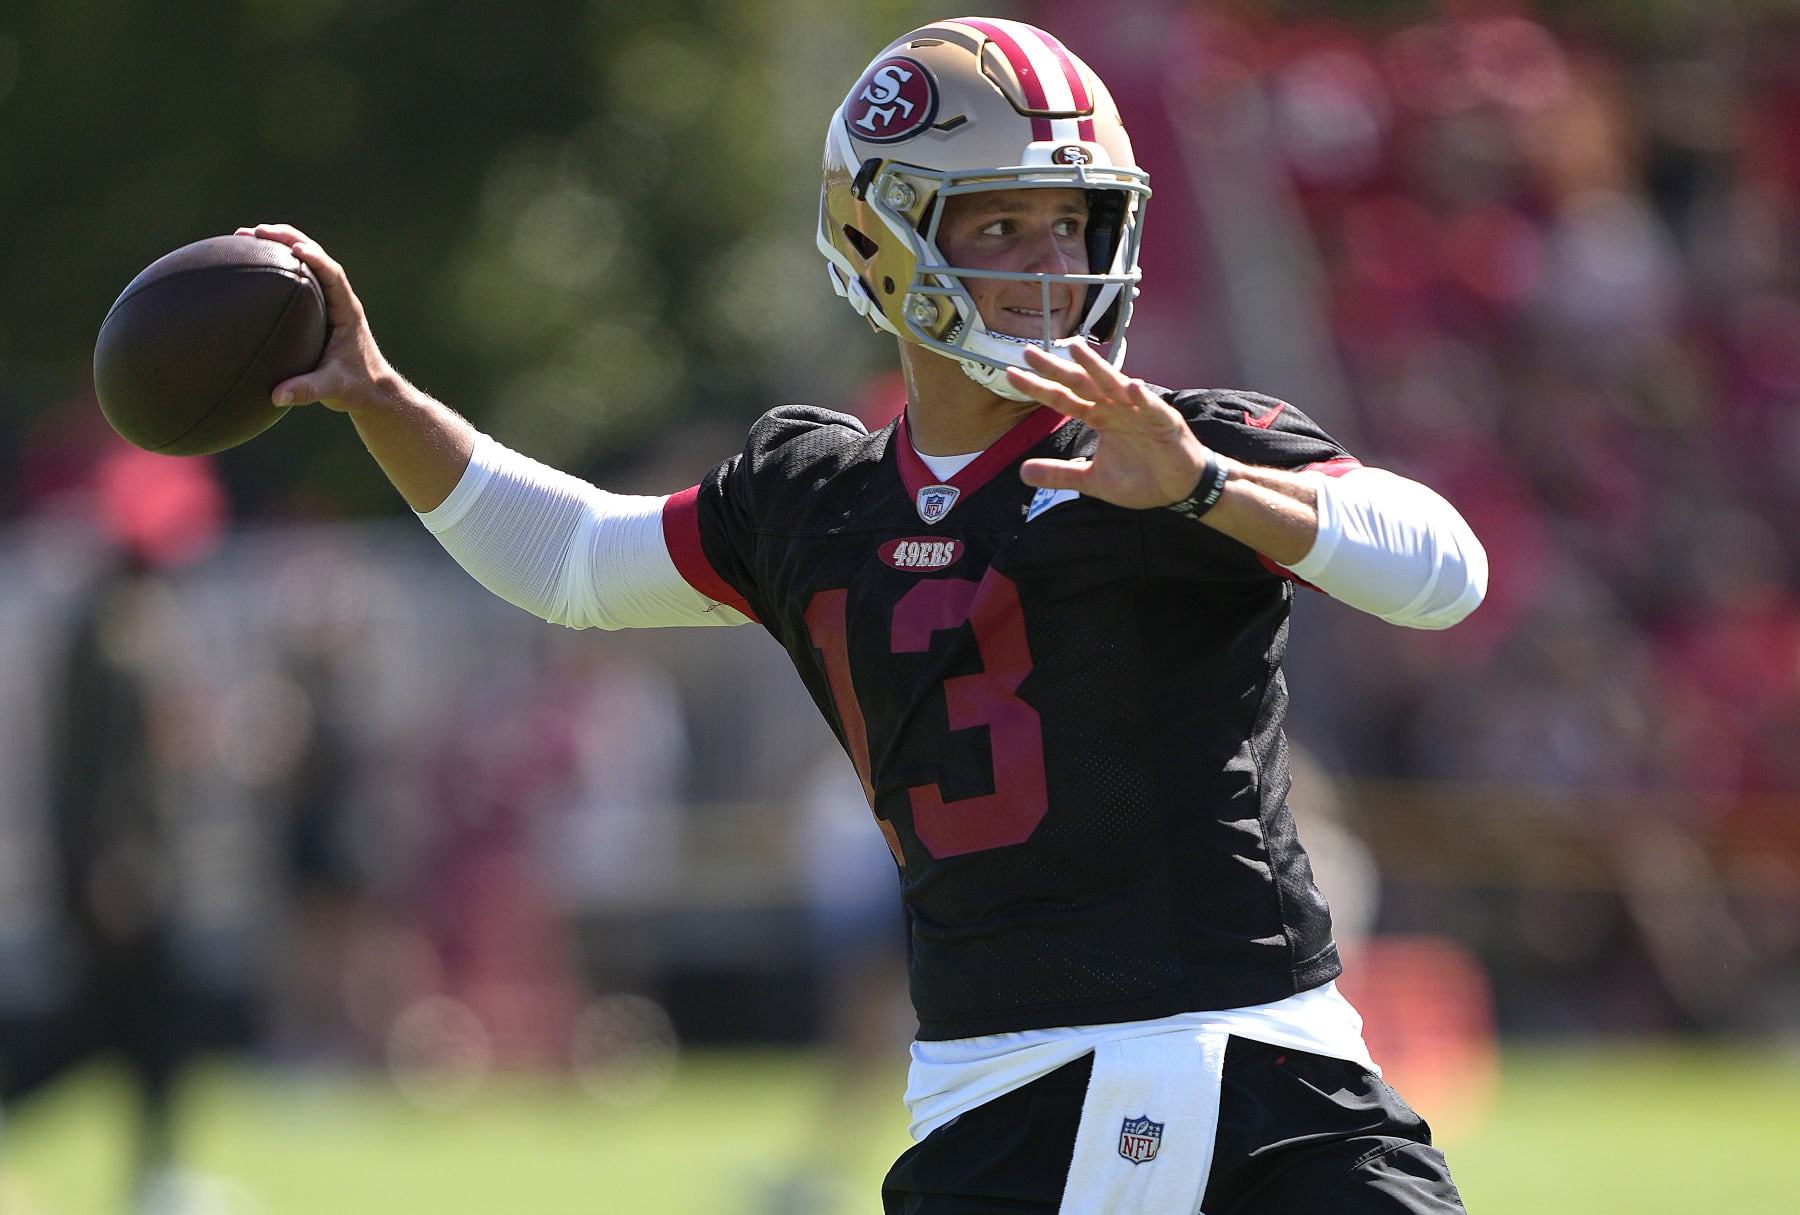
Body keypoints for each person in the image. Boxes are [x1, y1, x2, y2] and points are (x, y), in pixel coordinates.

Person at [240, 16, 1485, 1213]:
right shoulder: (810, 499)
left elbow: (1442, 570)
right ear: (886, 237)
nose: (1055, 268)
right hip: (998, 1099)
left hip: (1277, 1075)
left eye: (1075, 222)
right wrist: (379, 396)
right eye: (1004, 224)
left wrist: (1207, 491)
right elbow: (568, 558)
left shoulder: (1185, 445)